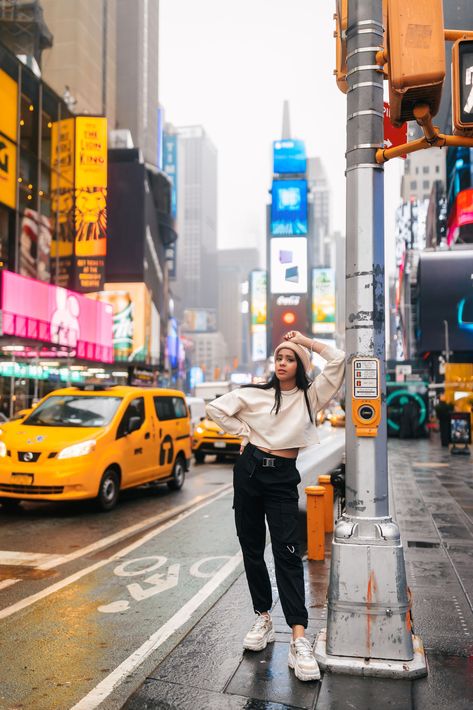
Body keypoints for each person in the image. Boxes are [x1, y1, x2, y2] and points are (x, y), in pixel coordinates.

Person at [206, 330, 345, 682]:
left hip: (283, 478)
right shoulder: (256, 393)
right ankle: (263, 617)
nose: (282, 363)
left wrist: (308, 342)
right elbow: (215, 408)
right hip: (249, 472)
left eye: (289, 358)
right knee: (252, 549)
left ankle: (298, 638)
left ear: (300, 365)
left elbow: (339, 360)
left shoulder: (310, 397)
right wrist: (246, 434)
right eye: (279, 358)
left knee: (286, 552)